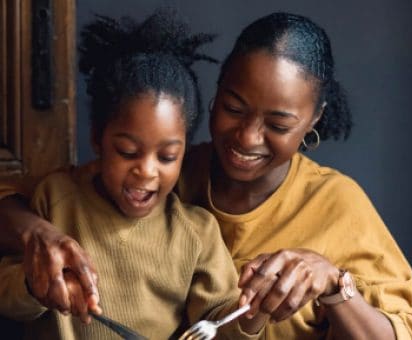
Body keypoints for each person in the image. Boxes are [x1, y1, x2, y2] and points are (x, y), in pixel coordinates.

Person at [0, 11, 412, 340]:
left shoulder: (337, 205)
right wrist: (38, 235)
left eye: (278, 124)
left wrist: (332, 283)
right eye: (234, 108)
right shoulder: (160, 179)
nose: (247, 137)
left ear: (314, 119)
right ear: (216, 91)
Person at [0, 9, 265, 340]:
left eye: (167, 156)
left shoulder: (196, 232)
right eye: (128, 152)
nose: (146, 170)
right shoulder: (56, 199)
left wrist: (252, 312)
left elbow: (221, 323)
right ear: (98, 138)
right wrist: (34, 285)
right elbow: (7, 295)